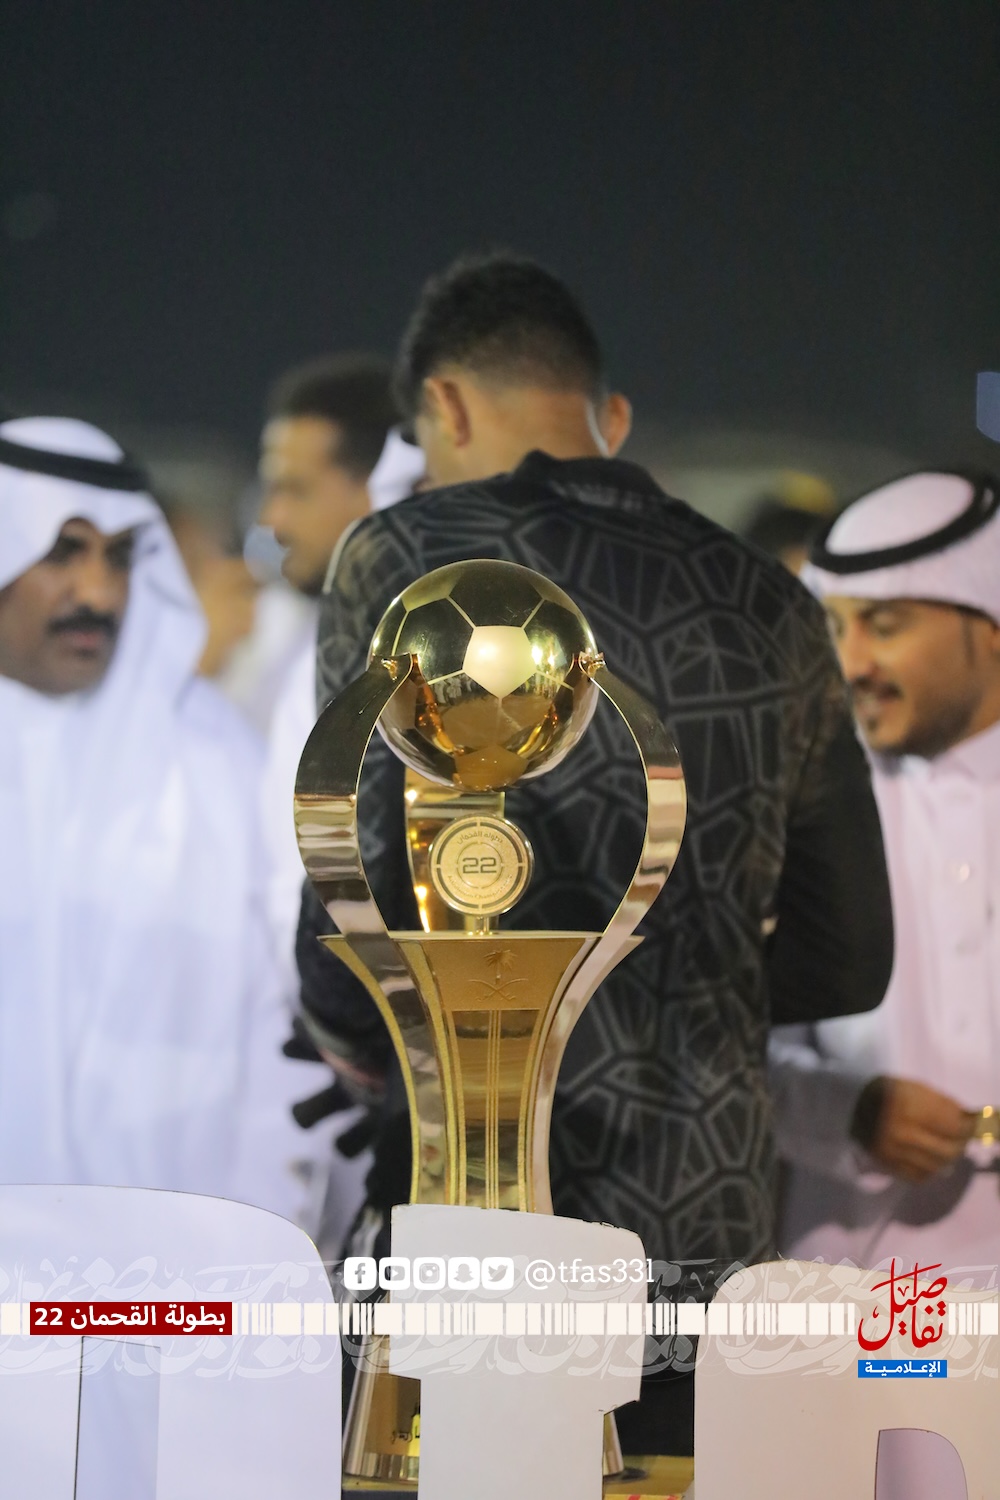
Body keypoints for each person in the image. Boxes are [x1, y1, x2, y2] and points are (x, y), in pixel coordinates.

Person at [295, 254, 893, 1450]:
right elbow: (848, 956)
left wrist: (362, 1042)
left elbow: (348, 919)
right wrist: (685, 988)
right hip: (699, 1227)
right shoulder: (768, 602)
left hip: (470, 1221)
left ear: (446, 404)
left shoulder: (403, 560)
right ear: (599, 410)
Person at [0, 416, 326, 1215]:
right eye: (61, 553)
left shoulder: (212, 759)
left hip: (175, 1260)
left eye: (119, 557)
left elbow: (283, 1023)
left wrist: (251, 1238)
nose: (98, 594)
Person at [770, 470, 1000, 1277]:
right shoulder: (799, 804)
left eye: (886, 625)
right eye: (835, 628)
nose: (852, 662)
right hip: (857, 1282)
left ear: (990, 626)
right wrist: (850, 1113)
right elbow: (729, 1044)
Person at [256, 357, 423, 1251]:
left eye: (293, 487)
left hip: (399, 1100)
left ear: (371, 488)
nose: (271, 519)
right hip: (305, 1091)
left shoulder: (407, 660)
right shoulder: (302, 646)